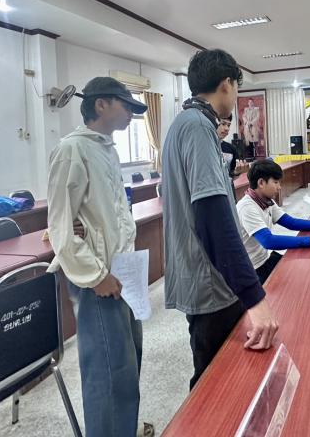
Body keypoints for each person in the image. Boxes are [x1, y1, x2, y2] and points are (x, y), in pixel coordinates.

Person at [163, 49, 279, 390]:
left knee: (218, 375)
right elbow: (213, 217)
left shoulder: (184, 123)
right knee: (216, 382)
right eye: (237, 87)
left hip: (203, 272)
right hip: (210, 278)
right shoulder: (199, 126)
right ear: (227, 84)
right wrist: (254, 296)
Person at [46, 77, 148, 437]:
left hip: (122, 271)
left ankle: (125, 429)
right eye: (126, 105)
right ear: (101, 104)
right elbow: (60, 225)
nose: (131, 114)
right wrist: (95, 276)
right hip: (99, 278)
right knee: (108, 370)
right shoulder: (71, 149)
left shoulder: (107, 148)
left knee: (128, 359)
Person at [236, 159, 310, 283]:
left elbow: (290, 222)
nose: (279, 187)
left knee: (302, 272)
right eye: (276, 182)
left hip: (265, 259)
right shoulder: (247, 207)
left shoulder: (266, 200)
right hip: (252, 269)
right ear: (261, 183)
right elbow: (268, 241)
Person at [218, 115, 248, 184]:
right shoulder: (203, 147)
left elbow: (232, 172)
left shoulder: (231, 149)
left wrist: (236, 172)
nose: (227, 128)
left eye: (228, 125)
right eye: (223, 124)